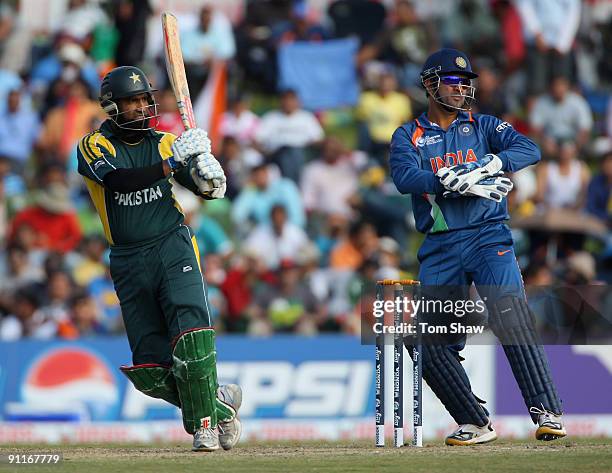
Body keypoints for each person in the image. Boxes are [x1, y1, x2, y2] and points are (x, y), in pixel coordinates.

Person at [389, 48, 566, 445]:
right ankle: (475, 421)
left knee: (510, 313)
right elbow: (404, 177)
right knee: (427, 341)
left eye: (466, 83)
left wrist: (488, 166)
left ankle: (547, 412)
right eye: (453, 82)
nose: (462, 89)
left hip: (489, 237)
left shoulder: (484, 125)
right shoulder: (408, 135)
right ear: (430, 85)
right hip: (440, 244)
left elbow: (529, 150)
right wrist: (446, 179)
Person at [76, 66, 241, 452]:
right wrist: (172, 162)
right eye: (131, 101)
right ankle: (218, 408)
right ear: (111, 107)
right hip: (128, 259)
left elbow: (202, 190)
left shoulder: (166, 143)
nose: (140, 107)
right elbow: (117, 181)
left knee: (191, 337)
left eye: (143, 99)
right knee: (149, 370)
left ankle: (203, 428)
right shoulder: (93, 146)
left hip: (172, 246)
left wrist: (210, 177)